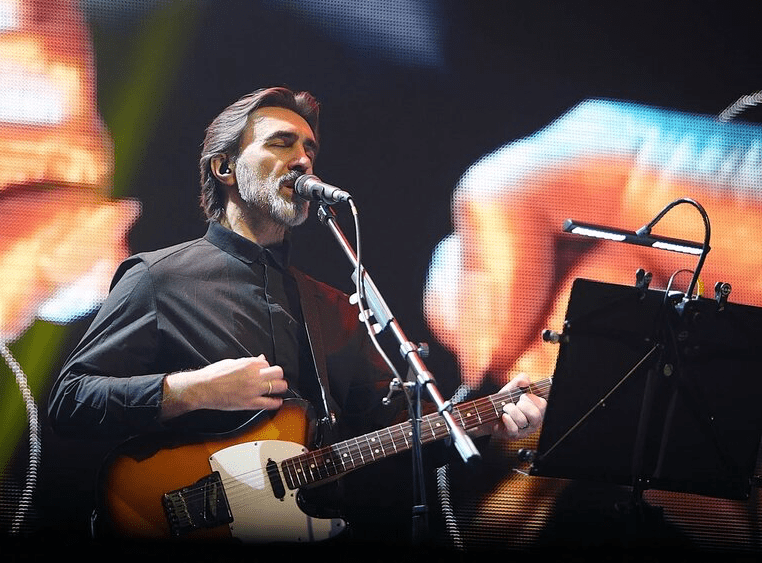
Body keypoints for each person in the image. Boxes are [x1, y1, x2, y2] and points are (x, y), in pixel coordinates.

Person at [47, 86, 547, 545]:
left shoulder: (333, 306)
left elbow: (396, 429)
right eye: (281, 143)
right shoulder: (159, 278)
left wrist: (485, 419)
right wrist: (190, 390)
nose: (303, 159)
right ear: (224, 167)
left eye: (309, 148)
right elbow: (71, 399)